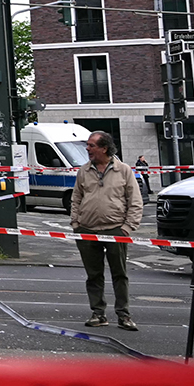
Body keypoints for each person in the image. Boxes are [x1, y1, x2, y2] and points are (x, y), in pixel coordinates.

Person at [72, 130, 144, 330]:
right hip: (87, 230)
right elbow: (76, 198)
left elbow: (135, 201)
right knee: (93, 275)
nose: (87, 149)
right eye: (88, 145)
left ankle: (124, 314)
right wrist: (76, 224)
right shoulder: (83, 171)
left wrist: (127, 228)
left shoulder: (124, 171)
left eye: (91, 145)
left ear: (104, 148)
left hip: (115, 230)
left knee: (119, 274)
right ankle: (98, 313)